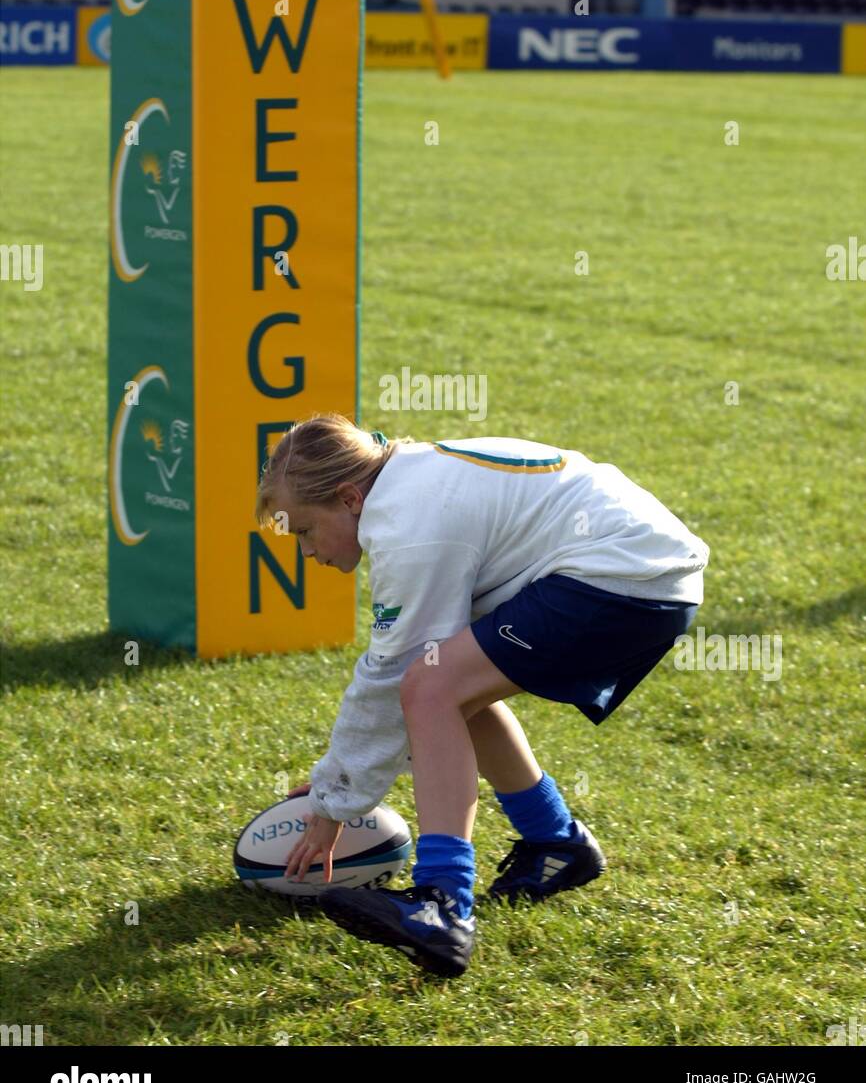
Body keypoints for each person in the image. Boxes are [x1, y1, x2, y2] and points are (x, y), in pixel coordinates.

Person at [254, 413, 708, 978]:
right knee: (448, 684)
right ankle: (556, 843)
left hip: (623, 578)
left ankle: (443, 903)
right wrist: (338, 786)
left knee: (429, 686)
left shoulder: (407, 523)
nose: (306, 551)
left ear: (348, 497)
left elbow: (388, 678)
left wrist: (333, 802)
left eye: (303, 530)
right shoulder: (410, 482)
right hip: (640, 570)